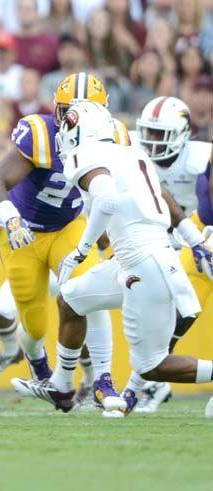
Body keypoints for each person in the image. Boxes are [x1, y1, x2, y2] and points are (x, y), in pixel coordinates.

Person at [13, 101, 213, 417]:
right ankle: (61, 386)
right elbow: (167, 200)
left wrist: (81, 249)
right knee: (70, 299)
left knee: (152, 367)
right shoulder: (131, 153)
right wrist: (195, 242)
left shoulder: (84, 155)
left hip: (144, 265)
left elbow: (105, 200)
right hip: (145, 257)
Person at [0, 73, 119, 410]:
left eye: (83, 111)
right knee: (34, 319)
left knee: (89, 292)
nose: (73, 119)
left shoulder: (112, 139)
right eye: (68, 111)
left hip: (67, 227)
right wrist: (9, 216)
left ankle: (103, 379)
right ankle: (40, 365)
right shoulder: (40, 134)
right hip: (23, 231)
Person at [132, 96, 213, 413]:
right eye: (148, 133)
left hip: (199, 237)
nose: (151, 142)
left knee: (178, 312)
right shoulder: (133, 155)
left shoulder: (202, 157)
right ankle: (151, 379)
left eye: (159, 134)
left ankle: (149, 380)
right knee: (168, 313)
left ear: (182, 133)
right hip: (162, 241)